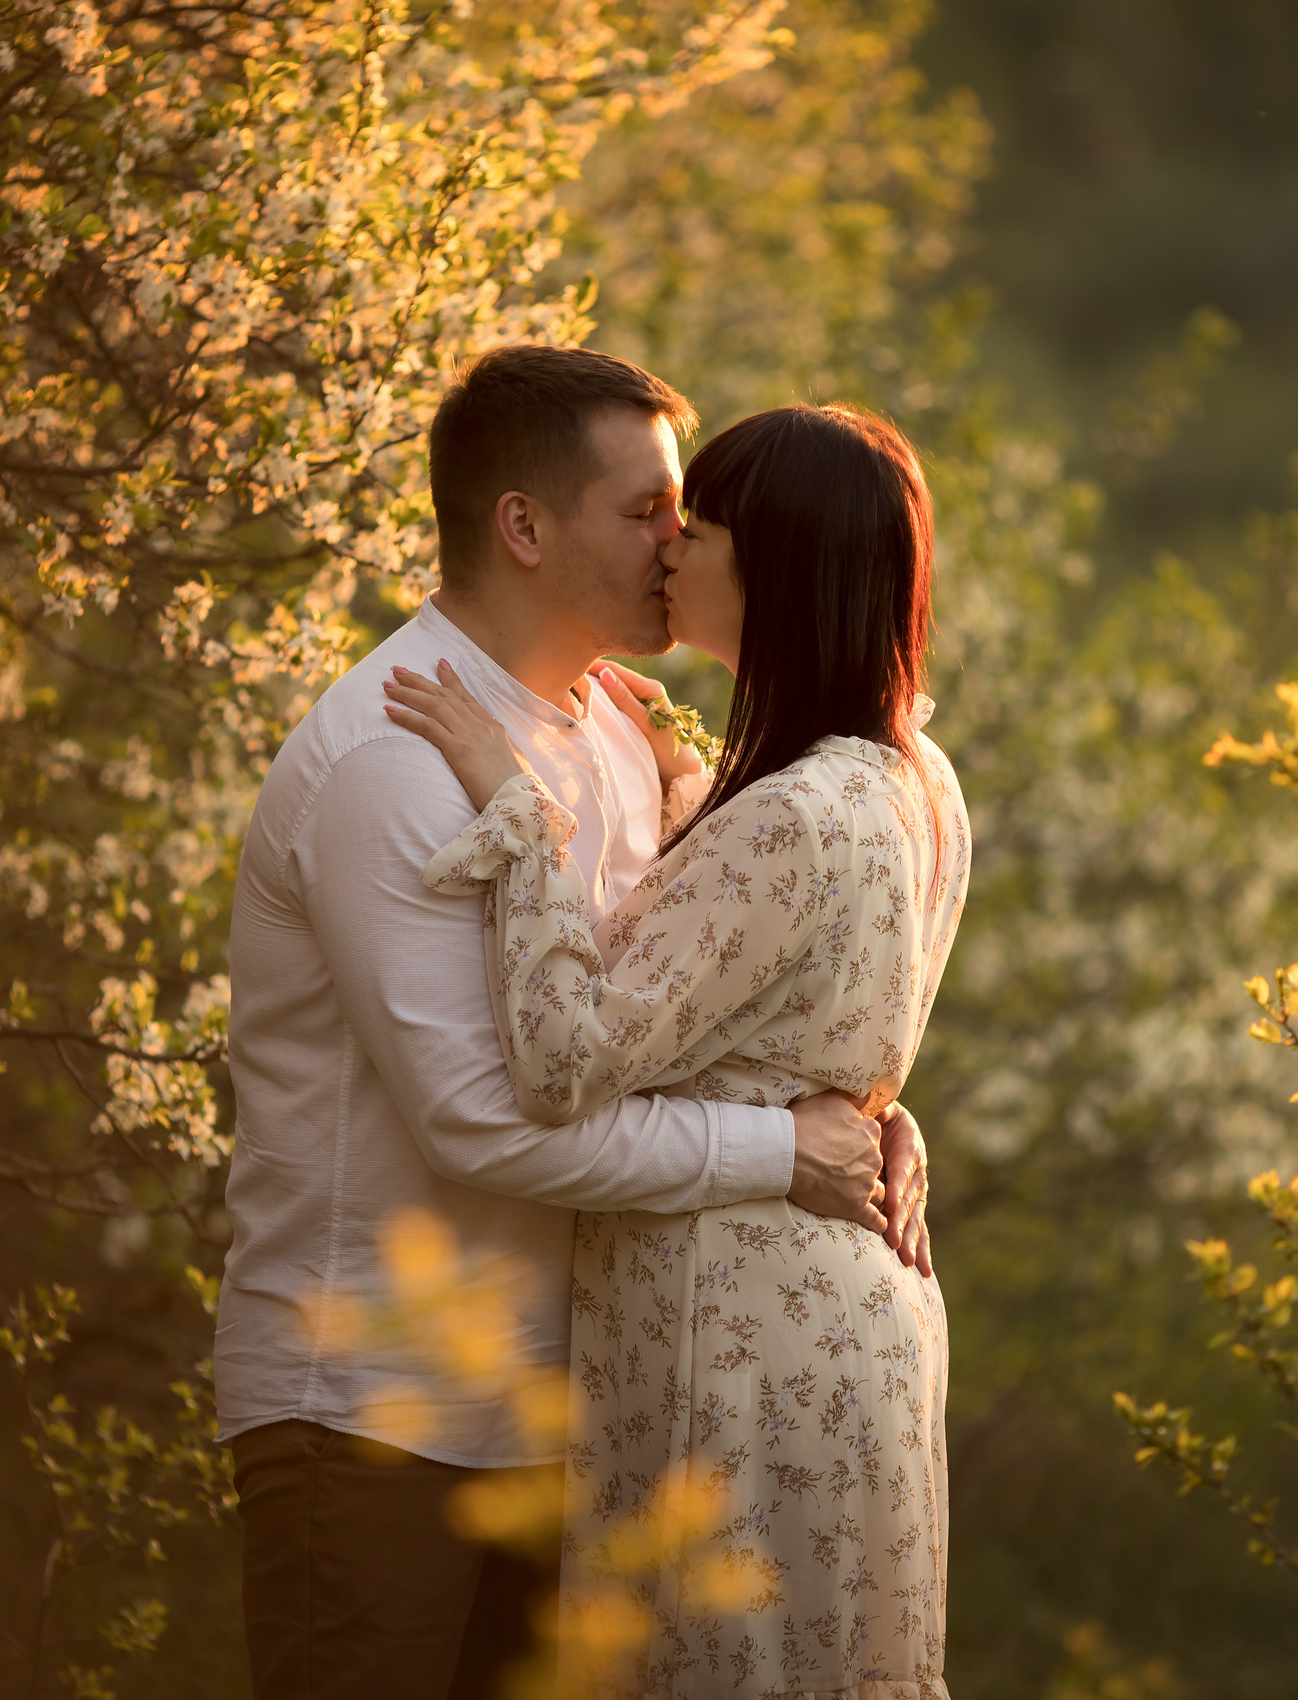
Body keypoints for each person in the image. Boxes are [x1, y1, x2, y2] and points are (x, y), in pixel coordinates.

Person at [214, 345, 931, 1700]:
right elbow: (485, 1121)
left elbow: (685, 1014)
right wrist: (785, 1154)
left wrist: (872, 1121)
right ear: (525, 528)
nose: (678, 540)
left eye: (682, 512)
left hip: (574, 1412)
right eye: (647, 508)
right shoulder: (395, 757)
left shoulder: (607, 729)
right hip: (376, 1412)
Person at [384, 402, 966, 1697]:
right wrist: (681, 776)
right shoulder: (913, 775)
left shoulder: (799, 818)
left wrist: (520, 816)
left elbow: (565, 1053)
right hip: (851, 1321)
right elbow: (799, 993)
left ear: (774, 566)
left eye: (693, 527)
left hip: (740, 1334)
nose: (666, 550)